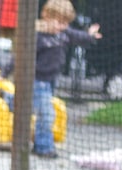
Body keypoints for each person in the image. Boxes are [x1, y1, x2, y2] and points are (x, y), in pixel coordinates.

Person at [31, 0, 101, 158]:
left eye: (65, 23)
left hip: (50, 80)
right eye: (58, 21)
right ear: (46, 16)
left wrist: (90, 36)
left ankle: (9, 99)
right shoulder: (38, 35)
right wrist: (5, 72)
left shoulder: (64, 33)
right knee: (47, 113)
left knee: (36, 109)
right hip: (37, 80)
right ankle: (44, 147)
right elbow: (19, 57)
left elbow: (79, 36)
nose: (61, 26)